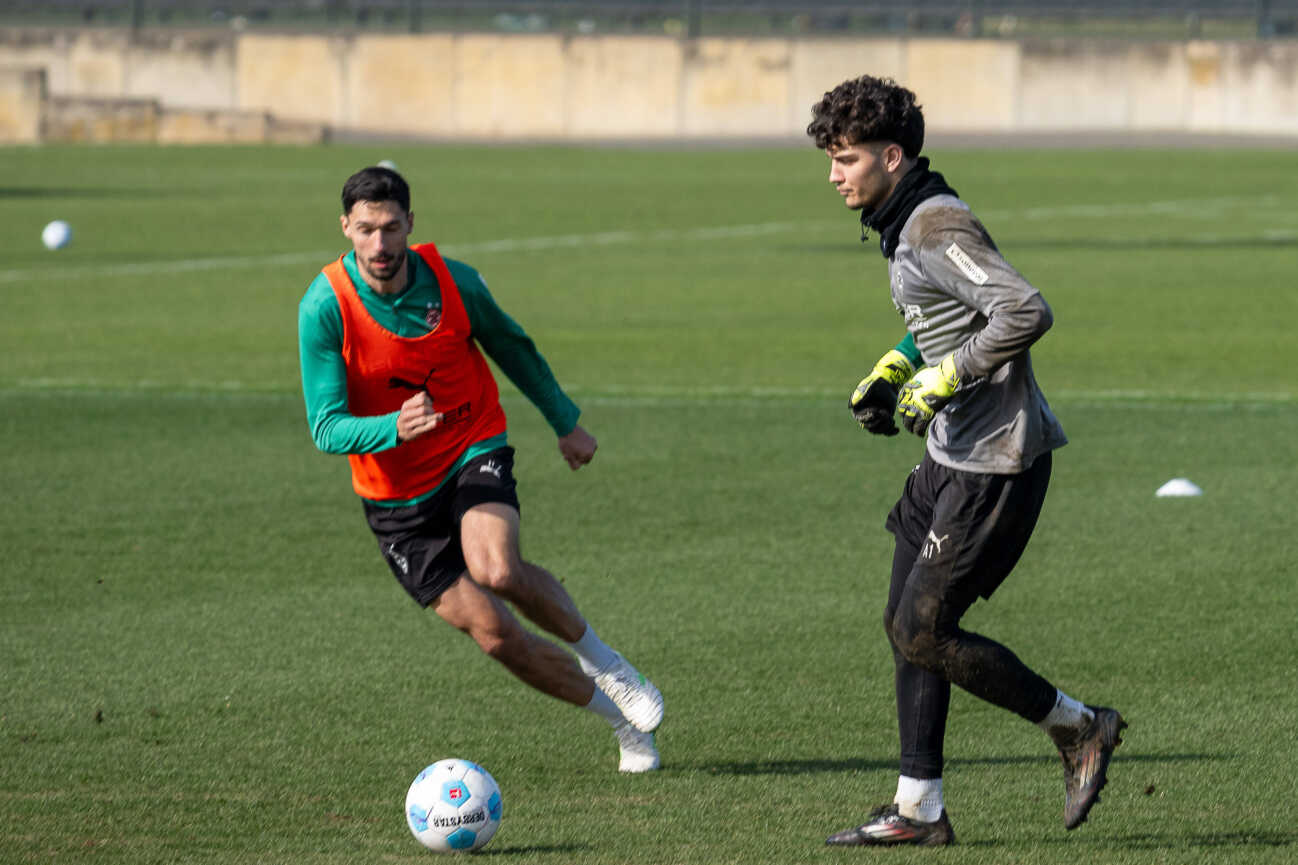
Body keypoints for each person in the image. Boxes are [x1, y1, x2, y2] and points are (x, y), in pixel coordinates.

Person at [807, 76, 1126, 846]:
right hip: (949, 454)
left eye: (846, 158)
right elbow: (948, 313)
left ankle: (1079, 725)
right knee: (902, 621)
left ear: (892, 155)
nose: (833, 174)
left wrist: (948, 377)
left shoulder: (933, 224)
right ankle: (918, 808)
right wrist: (897, 364)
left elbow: (1023, 308)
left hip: (995, 461)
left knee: (924, 627)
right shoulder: (903, 218)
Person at [297, 166, 663, 773]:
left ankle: (609, 663)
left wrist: (564, 422)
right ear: (346, 228)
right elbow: (326, 427)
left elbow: (512, 348)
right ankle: (622, 723)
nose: (381, 245)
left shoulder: (454, 282)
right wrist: (392, 427)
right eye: (366, 230)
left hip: (471, 443)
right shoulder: (324, 308)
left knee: (496, 566)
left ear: (411, 224)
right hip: (394, 498)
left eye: (391, 228)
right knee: (497, 637)